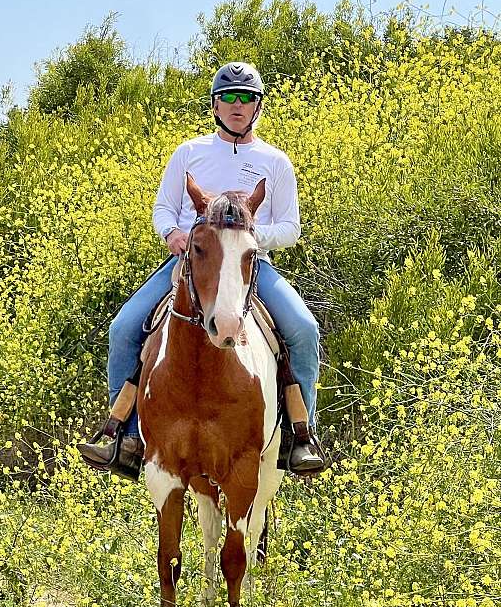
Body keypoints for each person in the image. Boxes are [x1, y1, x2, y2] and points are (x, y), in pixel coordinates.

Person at [79, 62, 325, 478]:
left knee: (303, 329)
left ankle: (299, 435)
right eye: (228, 97)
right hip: (192, 264)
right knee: (123, 329)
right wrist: (172, 234)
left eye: (246, 98)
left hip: (251, 265)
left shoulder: (275, 161)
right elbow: (163, 208)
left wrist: (247, 239)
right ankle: (126, 436)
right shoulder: (189, 153)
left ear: (257, 107)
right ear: (214, 105)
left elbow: (290, 226)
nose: (237, 105)